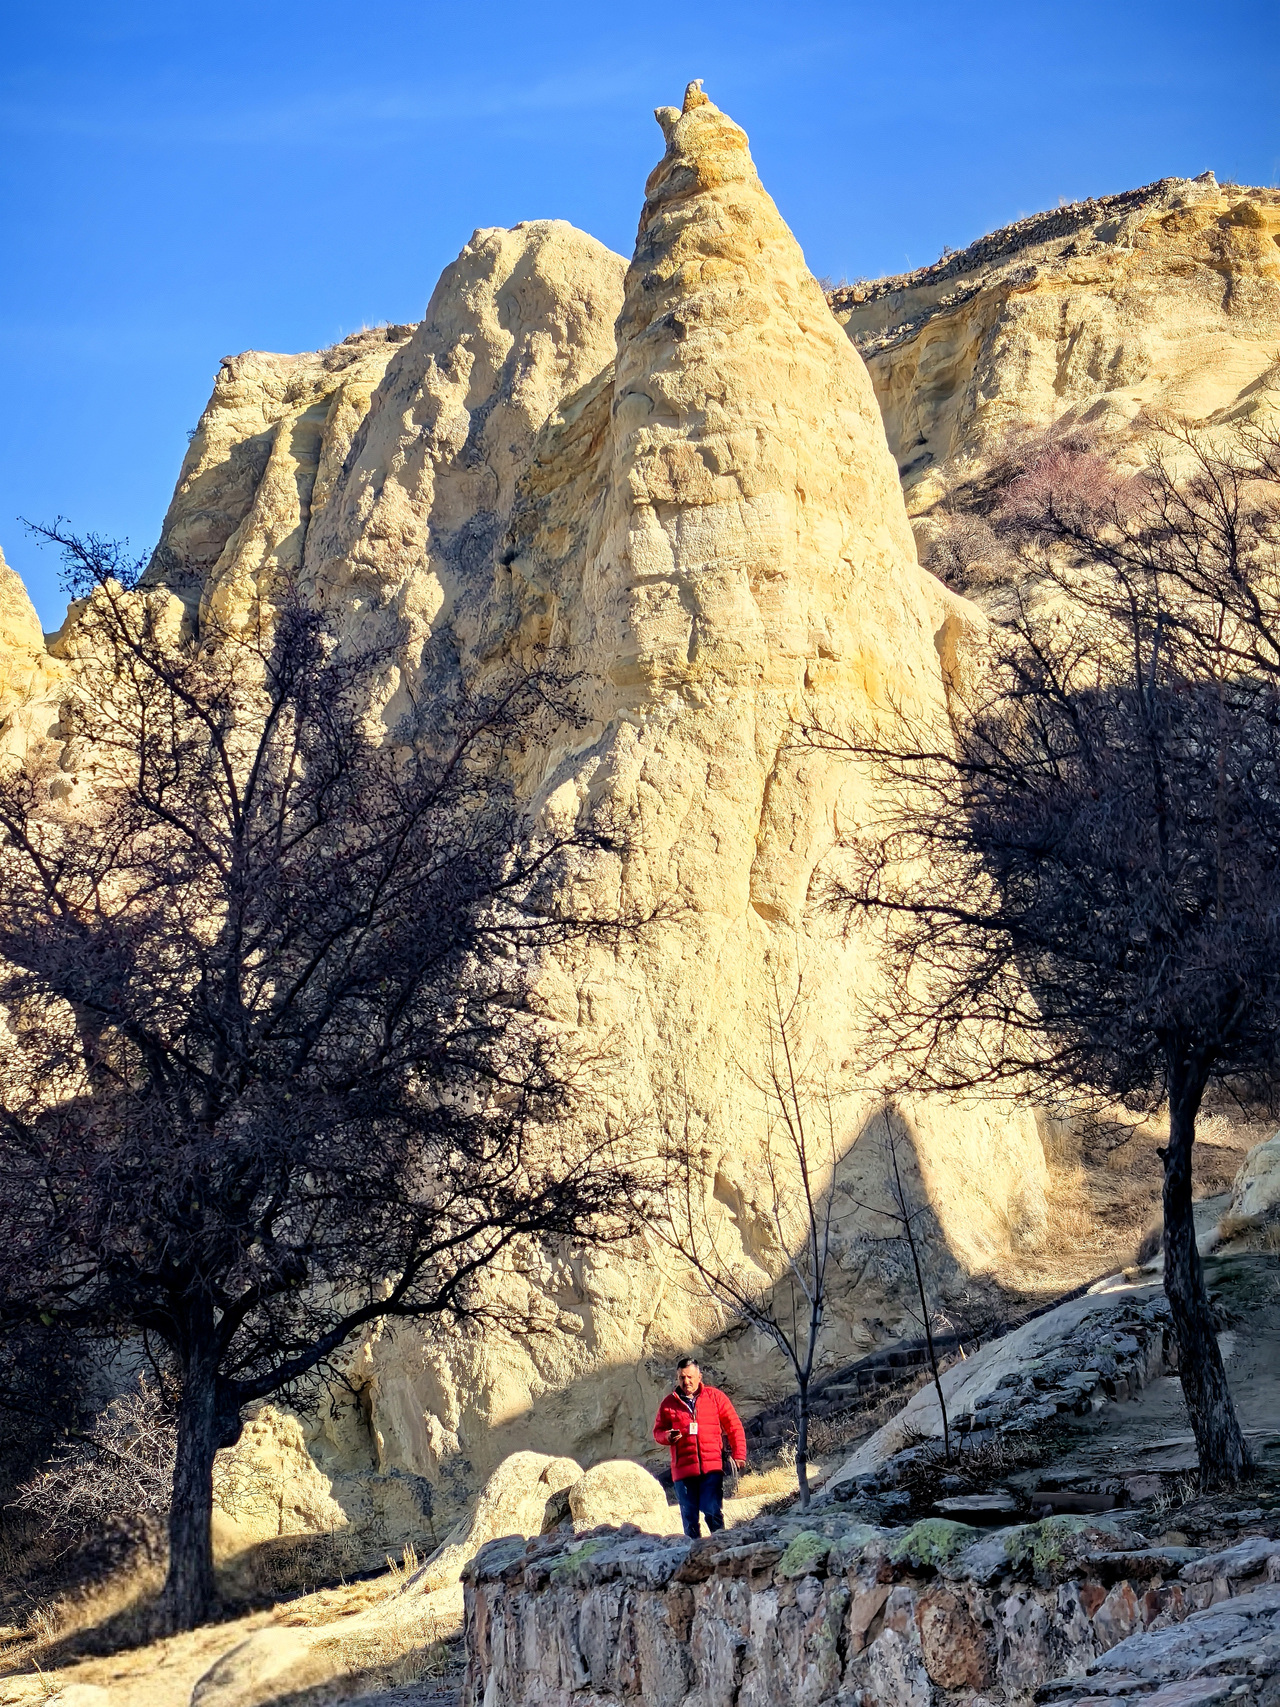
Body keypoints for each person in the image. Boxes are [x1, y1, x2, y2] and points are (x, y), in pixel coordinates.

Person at [652, 1356, 747, 1539]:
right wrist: (668, 1436)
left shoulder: (715, 1397)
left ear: (699, 1377)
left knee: (712, 1511)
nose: (686, 1381)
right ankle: (694, 1553)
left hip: (712, 1468)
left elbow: (734, 1427)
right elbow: (657, 1432)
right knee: (690, 1520)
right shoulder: (668, 1404)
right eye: (682, 1377)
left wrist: (739, 1454)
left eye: (690, 1377)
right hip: (683, 1471)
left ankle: (721, 1547)